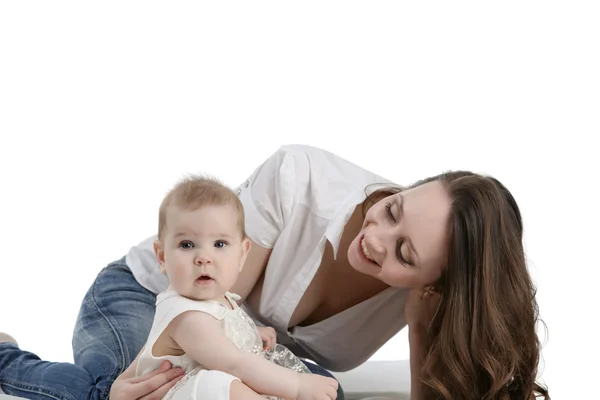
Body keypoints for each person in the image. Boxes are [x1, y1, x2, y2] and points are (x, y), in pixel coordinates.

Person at [0, 144, 549, 400]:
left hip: (234, 335)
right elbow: (208, 324)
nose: (375, 238)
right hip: (153, 299)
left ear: (434, 282)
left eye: (405, 254)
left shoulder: (424, 294)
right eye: (393, 207)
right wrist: (281, 383)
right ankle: (5, 357)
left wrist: (419, 312)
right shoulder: (300, 177)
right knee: (118, 395)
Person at [131, 174, 338, 400]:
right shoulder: (185, 315)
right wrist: (298, 386)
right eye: (187, 244)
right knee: (215, 383)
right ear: (162, 257)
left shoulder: (217, 298)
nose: (203, 257)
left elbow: (217, 336)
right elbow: (232, 362)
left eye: (219, 244)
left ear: (242, 254)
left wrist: (250, 334)